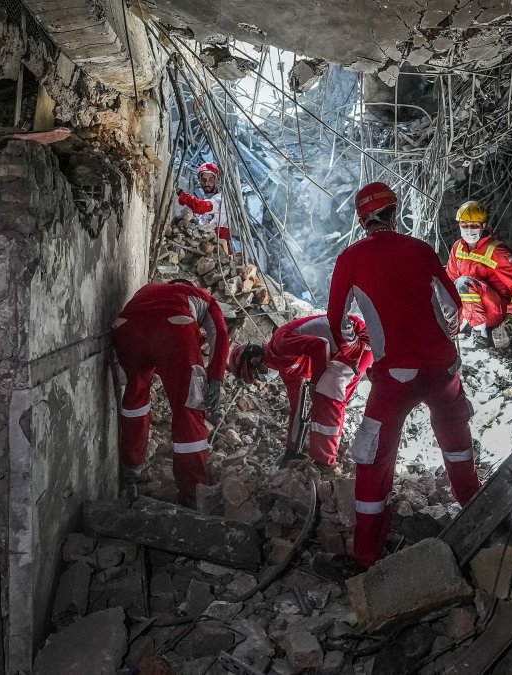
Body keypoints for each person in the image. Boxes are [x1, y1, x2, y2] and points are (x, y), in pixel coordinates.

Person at [325, 182, 483, 571]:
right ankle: (482, 515)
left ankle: (366, 554)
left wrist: (357, 343)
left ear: (362, 221)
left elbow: (336, 321)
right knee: (457, 444)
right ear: (394, 213)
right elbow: (454, 308)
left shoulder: (351, 259)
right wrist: (444, 339)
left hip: (396, 374)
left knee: (372, 455)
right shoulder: (420, 249)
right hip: (443, 367)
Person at [111, 279, 228, 504]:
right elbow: (220, 331)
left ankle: (132, 469)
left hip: (126, 328)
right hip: (175, 329)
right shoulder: (201, 295)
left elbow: (140, 313)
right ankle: (193, 492)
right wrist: (216, 376)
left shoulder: (148, 288)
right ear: (189, 285)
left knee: (136, 397)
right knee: (188, 407)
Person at [228, 314, 373, 469]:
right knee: (336, 400)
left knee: (326, 394)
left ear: (255, 361)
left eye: (255, 375)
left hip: (356, 338)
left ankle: (324, 463)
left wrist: (314, 383)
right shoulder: (285, 369)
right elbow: (297, 408)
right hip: (350, 351)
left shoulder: (279, 344)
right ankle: (330, 454)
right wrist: (291, 449)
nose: (259, 379)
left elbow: (321, 345)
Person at [445, 200, 512, 349]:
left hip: (494, 310)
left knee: (464, 283)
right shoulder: (457, 248)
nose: (469, 230)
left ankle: (480, 337)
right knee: (446, 290)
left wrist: (511, 316)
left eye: (474, 226)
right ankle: (461, 330)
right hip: (468, 310)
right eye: (465, 225)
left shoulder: (497, 252)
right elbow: (449, 281)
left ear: (483, 225)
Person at [177, 162, 231, 253]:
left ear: (217, 180)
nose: (207, 184)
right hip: (206, 247)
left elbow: (201, 207)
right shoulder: (206, 199)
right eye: (204, 180)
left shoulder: (221, 199)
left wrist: (182, 195)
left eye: (211, 180)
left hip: (219, 249)